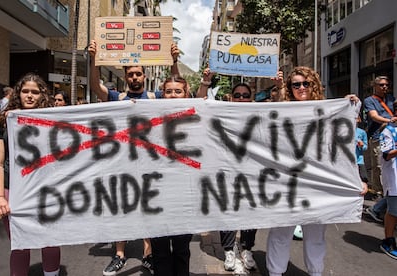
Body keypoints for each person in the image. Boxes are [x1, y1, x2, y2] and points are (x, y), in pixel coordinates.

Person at [88, 39, 180, 276]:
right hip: (122, 163)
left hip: (151, 164)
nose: (135, 78)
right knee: (122, 208)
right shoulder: (116, 97)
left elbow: (177, 92)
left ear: (144, 75)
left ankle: (148, 254)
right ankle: (119, 254)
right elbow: (95, 86)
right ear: (126, 76)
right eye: (131, 74)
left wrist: (174, 62)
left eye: (138, 74)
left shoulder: (156, 96)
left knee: (148, 208)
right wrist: (94, 59)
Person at [266, 66, 367, 276]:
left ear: (314, 85)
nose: (301, 88)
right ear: (290, 87)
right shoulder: (283, 110)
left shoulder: (331, 112)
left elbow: (342, 150)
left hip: (318, 184)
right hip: (287, 183)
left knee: (316, 234)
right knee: (280, 232)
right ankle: (275, 273)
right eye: (296, 84)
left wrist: (359, 178)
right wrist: (278, 89)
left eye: (306, 83)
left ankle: (316, 273)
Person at [0, 73, 61, 276]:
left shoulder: (53, 121)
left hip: (45, 190)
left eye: (35, 92)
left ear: (42, 95)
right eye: (25, 91)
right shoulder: (4, 122)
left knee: (49, 239)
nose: (29, 96)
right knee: (19, 244)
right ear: (18, 94)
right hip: (12, 190)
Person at [198, 68, 258, 272]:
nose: (241, 98)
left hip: (251, 172)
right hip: (226, 172)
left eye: (245, 96)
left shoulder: (260, 114)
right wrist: (205, 81)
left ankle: (247, 247)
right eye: (238, 95)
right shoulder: (221, 111)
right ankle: (229, 249)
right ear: (231, 97)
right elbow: (201, 105)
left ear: (251, 99)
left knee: (250, 210)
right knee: (228, 209)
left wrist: (279, 85)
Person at [150, 75, 194, 276]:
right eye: (168, 91)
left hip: (185, 196)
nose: (173, 95)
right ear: (162, 94)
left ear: (186, 94)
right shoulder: (150, 118)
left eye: (178, 91)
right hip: (156, 195)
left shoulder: (197, 118)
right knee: (159, 251)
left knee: (181, 249)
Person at [363, 76, 394, 221]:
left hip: (393, 137)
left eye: (386, 85)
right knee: (380, 167)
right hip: (378, 137)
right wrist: (390, 120)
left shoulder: (391, 99)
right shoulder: (370, 101)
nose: (384, 87)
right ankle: (380, 196)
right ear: (375, 86)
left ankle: (383, 203)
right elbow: (374, 116)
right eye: (381, 85)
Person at [379, 122, 397, 259]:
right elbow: (387, 154)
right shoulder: (388, 131)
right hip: (394, 178)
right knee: (393, 211)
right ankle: (388, 241)